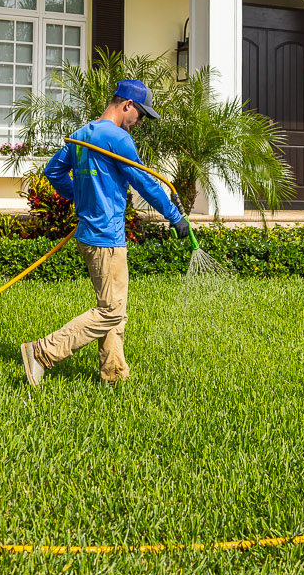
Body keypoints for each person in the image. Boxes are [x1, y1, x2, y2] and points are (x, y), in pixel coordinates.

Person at [20, 78, 189, 387]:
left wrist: (77, 195)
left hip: (89, 235)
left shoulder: (81, 135)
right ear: (126, 105)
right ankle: (42, 353)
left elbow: (54, 171)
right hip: (106, 238)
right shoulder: (118, 139)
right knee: (110, 311)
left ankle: (114, 375)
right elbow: (145, 182)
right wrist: (175, 216)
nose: (138, 122)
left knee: (115, 308)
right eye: (139, 115)